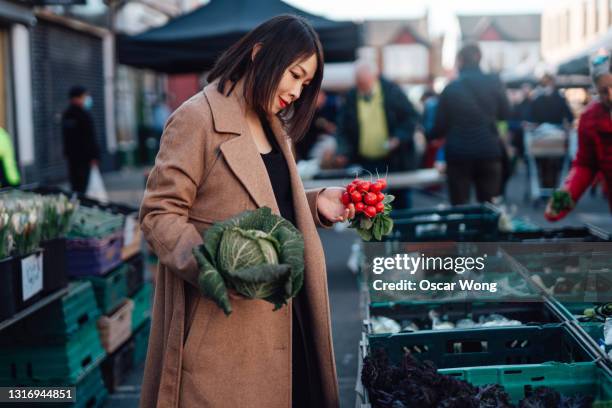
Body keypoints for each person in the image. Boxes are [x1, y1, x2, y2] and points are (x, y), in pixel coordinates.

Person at [138, 15, 353, 408]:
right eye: (294, 74)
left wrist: (314, 202)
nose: (297, 90)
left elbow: (261, 198)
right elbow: (159, 213)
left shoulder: (273, 123)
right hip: (227, 334)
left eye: (306, 83)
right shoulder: (196, 118)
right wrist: (216, 268)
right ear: (259, 54)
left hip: (293, 320)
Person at [429, 42, 510, 205]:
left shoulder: (451, 88)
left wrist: (428, 136)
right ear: (479, 59)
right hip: (488, 152)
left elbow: (439, 127)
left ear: (460, 61)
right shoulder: (494, 83)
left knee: (460, 208)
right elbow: (505, 114)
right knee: (488, 209)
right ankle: (486, 231)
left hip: (459, 155)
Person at [336, 61, 420, 208]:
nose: (361, 87)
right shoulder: (351, 96)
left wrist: (398, 138)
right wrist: (343, 151)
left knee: (400, 203)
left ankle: (402, 230)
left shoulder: (392, 91)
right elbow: (342, 127)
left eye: (364, 83)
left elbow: (412, 118)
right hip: (366, 161)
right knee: (370, 208)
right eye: (359, 83)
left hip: (395, 159)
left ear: (376, 77)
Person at [545, 51, 612, 221]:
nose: (610, 96)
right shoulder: (591, 117)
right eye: (604, 91)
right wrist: (565, 196)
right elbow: (586, 164)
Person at [61, 86, 100, 193]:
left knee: (76, 185)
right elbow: (90, 137)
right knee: (82, 185)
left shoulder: (67, 114)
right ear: (77, 98)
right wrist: (94, 156)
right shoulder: (83, 115)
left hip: (72, 157)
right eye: (85, 96)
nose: (87, 99)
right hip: (83, 158)